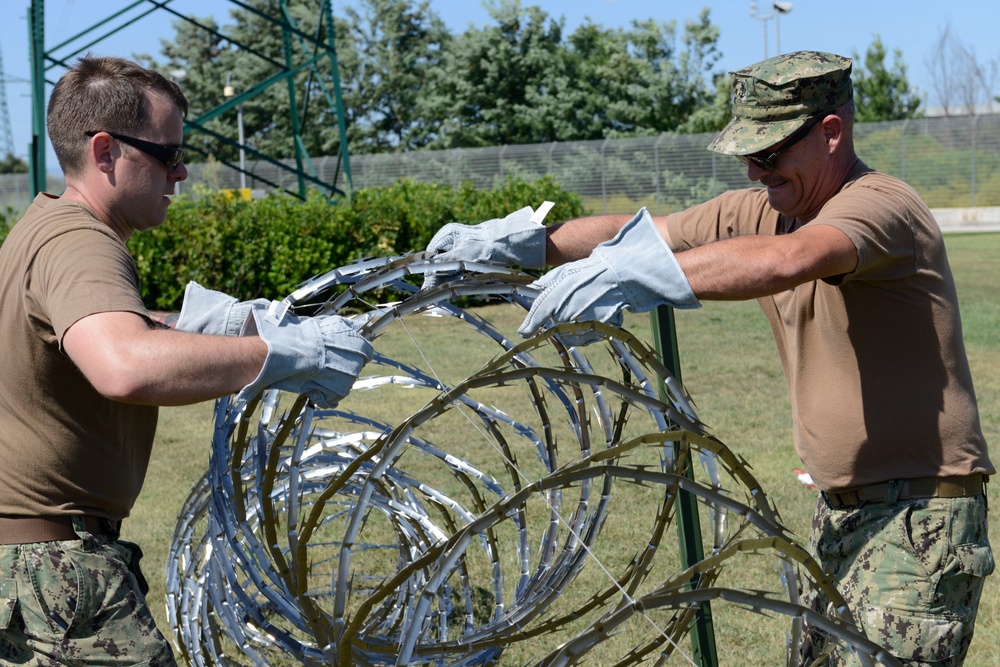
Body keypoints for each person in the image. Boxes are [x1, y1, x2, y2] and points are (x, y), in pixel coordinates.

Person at [424, 51, 994, 665]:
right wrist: (530, 245)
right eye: (748, 153)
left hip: (916, 522)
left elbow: (789, 260)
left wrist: (631, 276)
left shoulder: (880, 205)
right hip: (842, 514)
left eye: (771, 151)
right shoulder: (769, 208)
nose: (754, 170)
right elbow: (646, 233)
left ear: (832, 133)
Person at [0, 55, 373, 665]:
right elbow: (124, 364)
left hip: (35, 563)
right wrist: (279, 354)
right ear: (104, 151)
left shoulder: (47, 224)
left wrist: (226, 325)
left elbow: (96, 333)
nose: (182, 171)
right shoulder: (79, 243)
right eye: (168, 153)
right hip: (57, 570)